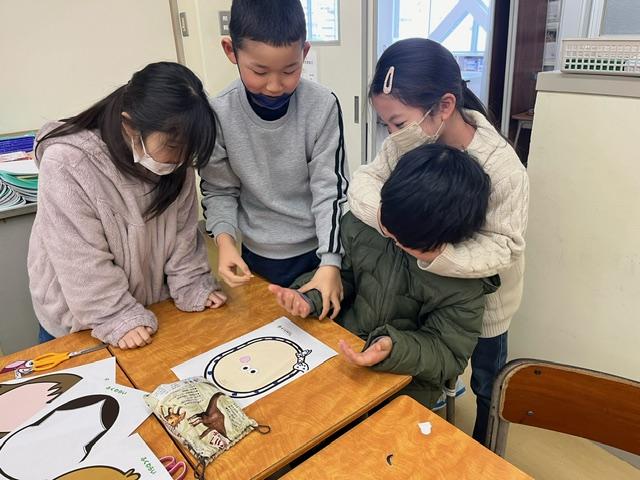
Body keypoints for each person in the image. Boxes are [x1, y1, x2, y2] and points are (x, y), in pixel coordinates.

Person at [348, 38, 529, 443]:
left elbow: (503, 247)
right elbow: (364, 180)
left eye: (398, 123)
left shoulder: (502, 168)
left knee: (487, 381)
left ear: (444, 106)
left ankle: (486, 447)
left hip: (486, 299)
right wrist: (386, 219)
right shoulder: (408, 142)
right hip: (431, 290)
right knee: (434, 358)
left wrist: (434, 252)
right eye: (386, 125)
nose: (392, 134)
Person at [270, 144, 499, 408]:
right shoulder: (366, 226)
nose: (395, 241)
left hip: (407, 380)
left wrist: (392, 347)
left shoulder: (464, 281)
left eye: (408, 243)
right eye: (389, 231)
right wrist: (310, 297)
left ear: (445, 239)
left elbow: (448, 353)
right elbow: (344, 275)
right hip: (344, 349)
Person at [28, 62, 226, 349]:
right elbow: (80, 260)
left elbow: (183, 235)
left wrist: (193, 283)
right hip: (82, 322)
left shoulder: (177, 164)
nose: (180, 159)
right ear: (130, 125)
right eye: (172, 146)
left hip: (148, 311)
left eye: (188, 150)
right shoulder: (68, 162)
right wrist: (115, 315)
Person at [199, 0, 349, 320]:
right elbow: (220, 189)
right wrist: (225, 243)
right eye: (260, 71)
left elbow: (330, 191)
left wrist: (331, 262)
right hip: (256, 257)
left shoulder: (322, 106)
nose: (274, 85)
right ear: (231, 51)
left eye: (290, 70)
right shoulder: (219, 112)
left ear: (304, 53)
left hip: (316, 255)